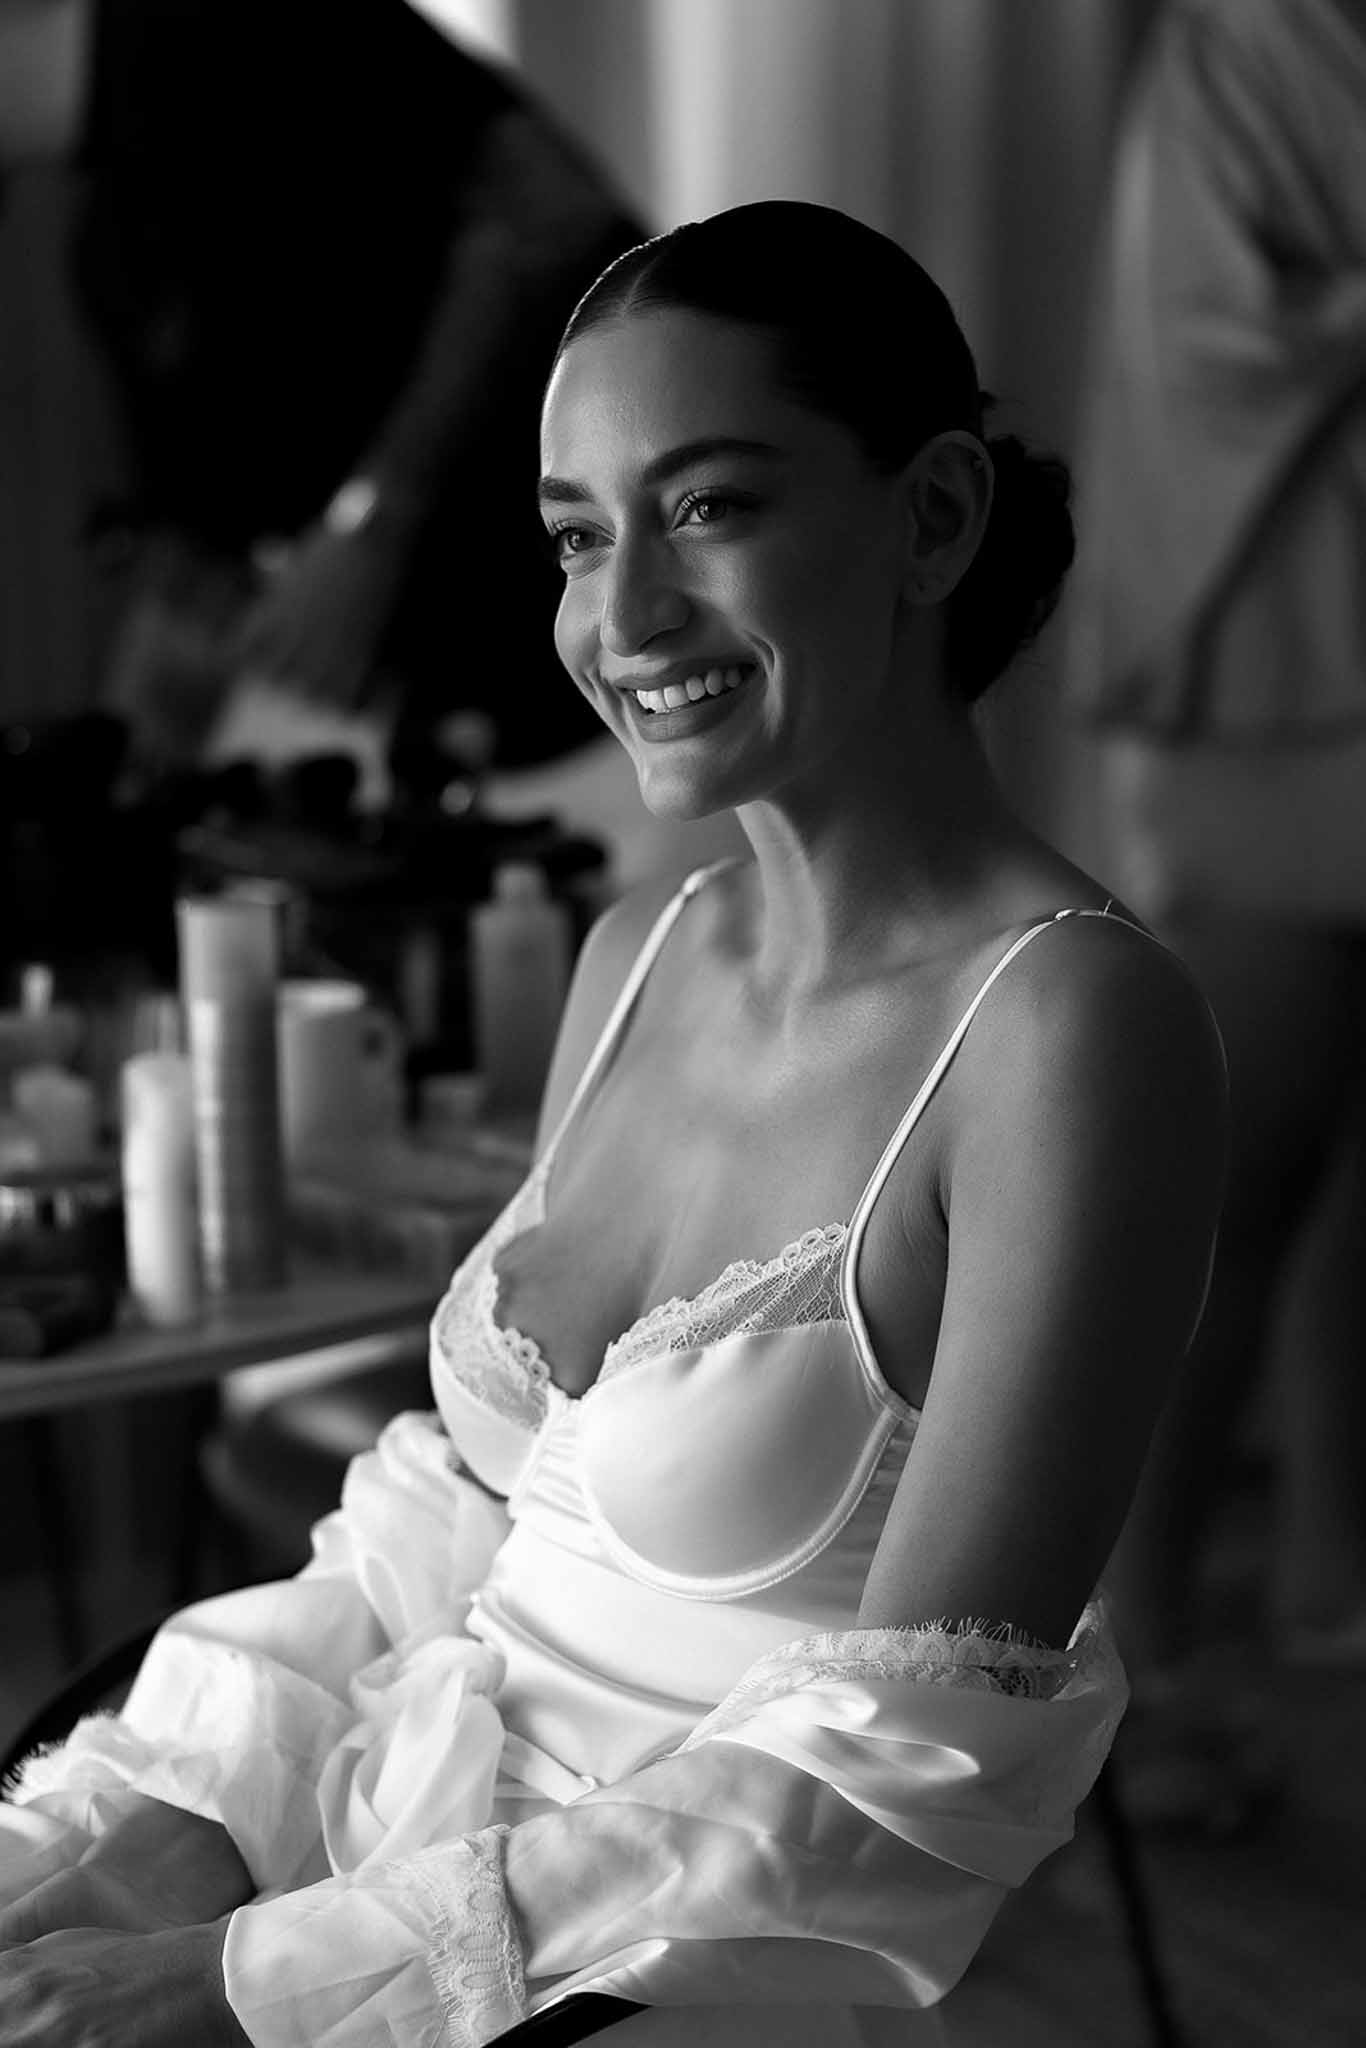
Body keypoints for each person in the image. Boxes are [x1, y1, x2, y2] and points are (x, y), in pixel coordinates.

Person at [0, 202, 1226, 2045]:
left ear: (937, 514)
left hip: (649, 1989)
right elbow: (461, 1528)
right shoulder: (635, 952)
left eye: (712, 506)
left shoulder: (1069, 1029)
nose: (623, 615)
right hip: (375, 1872)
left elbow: (897, 1767)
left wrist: (252, 1985)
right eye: (579, 536)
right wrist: (184, 1821)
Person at [1063, 0, 1366, 1832]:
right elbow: (1207, 349)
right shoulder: (1249, 38)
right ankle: (1127, 1657)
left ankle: (1334, 1595)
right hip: (1280, 663)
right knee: (1226, 1175)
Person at [69, 0, 645, 776]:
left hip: (573, 679)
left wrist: (372, 521)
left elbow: (549, 207)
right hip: (410, 723)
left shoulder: (218, 26)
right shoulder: (102, 169)